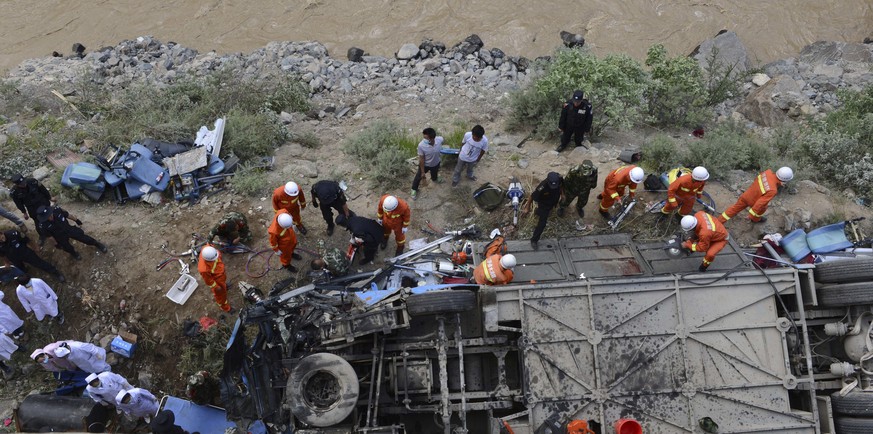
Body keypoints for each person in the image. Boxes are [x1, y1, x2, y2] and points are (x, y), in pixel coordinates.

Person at [718, 167, 794, 224]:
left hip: (746, 195)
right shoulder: (773, 190)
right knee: (762, 208)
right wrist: (750, 215)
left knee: (734, 209)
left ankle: (719, 221)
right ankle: (756, 219)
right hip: (753, 202)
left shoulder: (767, 172)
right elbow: (759, 203)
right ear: (785, 180)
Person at [36, 205, 107, 260]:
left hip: (68, 229)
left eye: (50, 214)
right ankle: (74, 253)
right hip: (60, 236)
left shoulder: (57, 210)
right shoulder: (43, 225)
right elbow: (50, 236)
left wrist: (76, 220)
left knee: (83, 238)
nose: (50, 217)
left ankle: (96, 244)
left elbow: (68, 215)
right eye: (47, 217)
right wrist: (56, 244)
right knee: (67, 248)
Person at [0, 228, 65, 282]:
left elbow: (27, 240)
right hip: (14, 258)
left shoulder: (14, 234)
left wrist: (35, 247)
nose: (2, 240)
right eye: (0, 240)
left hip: (25, 253)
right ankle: (27, 277)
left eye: (1, 237)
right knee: (21, 270)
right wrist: (6, 262)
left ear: (2, 233)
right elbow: (2, 255)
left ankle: (56, 273)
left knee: (39, 263)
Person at [529, 172, 563, 250]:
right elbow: (532, 196)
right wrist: (527, 207)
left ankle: (540, 212)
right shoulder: (542, 187)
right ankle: (534, 240)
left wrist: (562, 194)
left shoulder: (559, 178)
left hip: (554, 201)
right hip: (544, 204)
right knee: (542, 223)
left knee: (551, 210)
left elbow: (562, 186)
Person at [411, 127, 444, 200]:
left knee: (434, 174)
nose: (424, 140)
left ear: (432, 138)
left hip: (436, 163)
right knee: (418, 176)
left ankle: (435, 179)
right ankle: (414, 189)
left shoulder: (439, 140)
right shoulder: (421, 145)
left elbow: (442, 140)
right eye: (423, 138)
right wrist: (423, 172)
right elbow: (421, 159)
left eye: (426, 138)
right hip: (425, 165)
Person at [198, 245, 232, 313]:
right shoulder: (204, 269)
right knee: (221, 295)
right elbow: (208, 281)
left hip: (221, 273)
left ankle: (224, 285)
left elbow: (210, 246)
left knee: (223, 285)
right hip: (217, 279)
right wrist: (216, 287)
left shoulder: (207, 249)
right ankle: (225, 307)